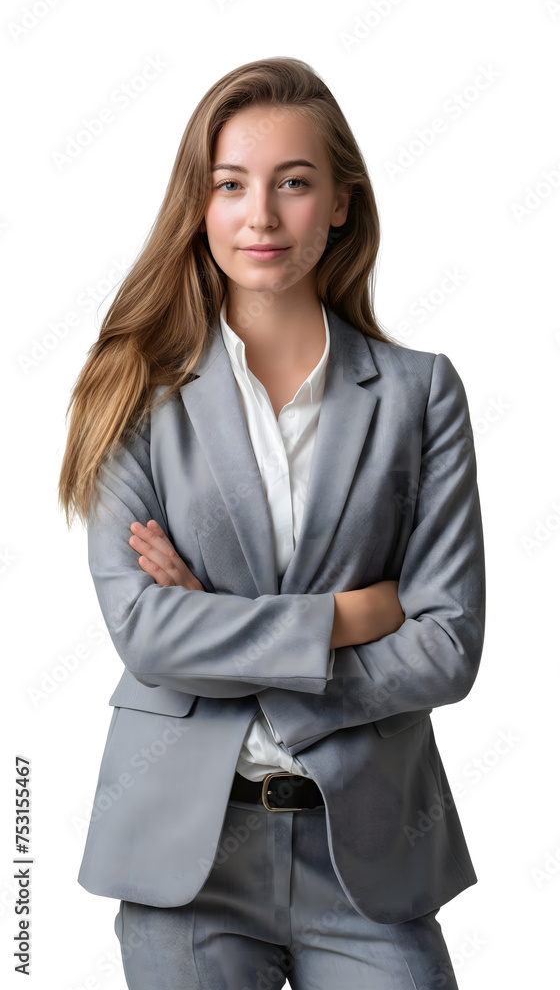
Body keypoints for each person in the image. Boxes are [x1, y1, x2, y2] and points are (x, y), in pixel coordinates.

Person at [58, 56, 485, 990]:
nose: (261, 215)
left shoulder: (420, 394)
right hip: (185, 860)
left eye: (293, 183)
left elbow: (447, 646)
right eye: (230, 185)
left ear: (340, 203)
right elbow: (148, 635)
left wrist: (222, 627)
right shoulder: (131, 389)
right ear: (199, 203)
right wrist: (349, 617)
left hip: (367, 852)